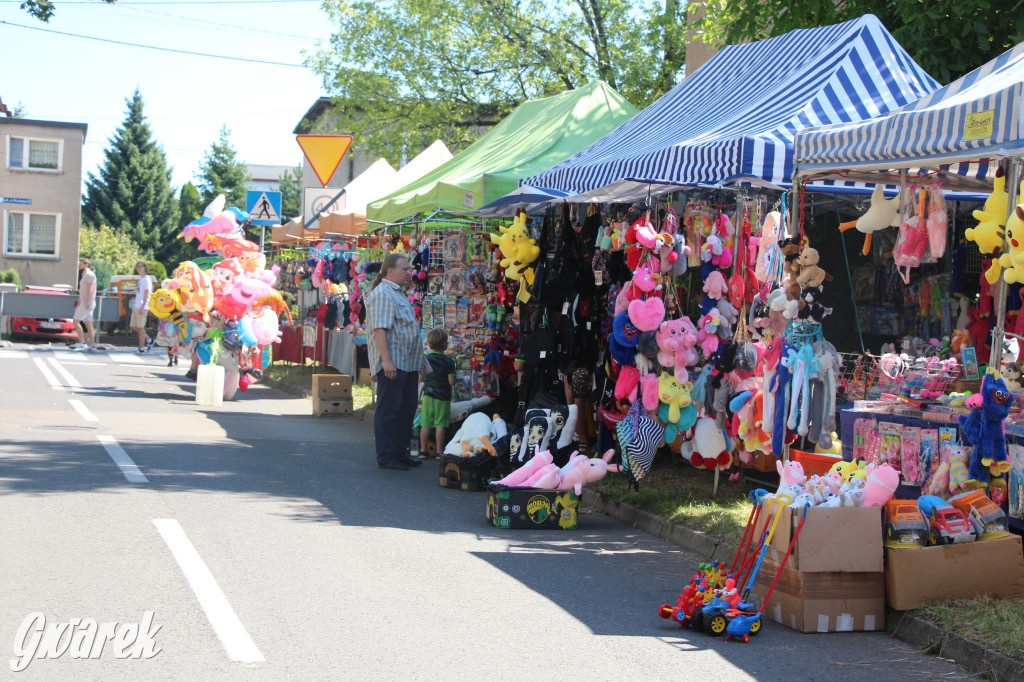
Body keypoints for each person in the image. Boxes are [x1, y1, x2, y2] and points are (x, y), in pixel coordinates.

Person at [366, 253, 425, 471]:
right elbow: (380, 329)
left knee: (406, 409)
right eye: (405, 269)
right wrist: (387, 361)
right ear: (390, 271)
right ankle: (386, 456)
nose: (410, 273)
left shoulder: (397, 293)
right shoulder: (383, 293)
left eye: (410, 269)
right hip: (394, 363)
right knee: (389, 410)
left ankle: (400, 453)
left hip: (407, 362)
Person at [419, 328, 456, 459]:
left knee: (425, 424)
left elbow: (421, 378)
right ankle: (439, 452)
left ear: (429, 344)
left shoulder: (425, 359)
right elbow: (451, 381)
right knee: (440, 424)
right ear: (445, 344)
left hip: (428, 395)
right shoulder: (449, 361)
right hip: (443, 397)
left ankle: (423, 451)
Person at [71, 258, 97, 351]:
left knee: (75, 321)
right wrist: (79, 301)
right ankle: (92, 344)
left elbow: (91, 288)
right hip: (85, 301)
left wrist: (87, 301)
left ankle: (82, 343)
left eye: (81, 263)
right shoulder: (84, 274)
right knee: (88, 323)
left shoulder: (90, 275)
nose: (79, 265)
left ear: (86, 264)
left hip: (87, 302)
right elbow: (83, 290)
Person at [130, 261, 155, 353]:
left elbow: (147, 293)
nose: (139, 268)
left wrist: (143, 306)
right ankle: (149, 340)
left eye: (140, 266)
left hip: (142, 306)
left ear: (145, 268)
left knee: (140, 327)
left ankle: (141, 348)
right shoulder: (141, 279)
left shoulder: (147, 279)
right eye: (137, 267)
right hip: (137, 305)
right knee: (133, 325)